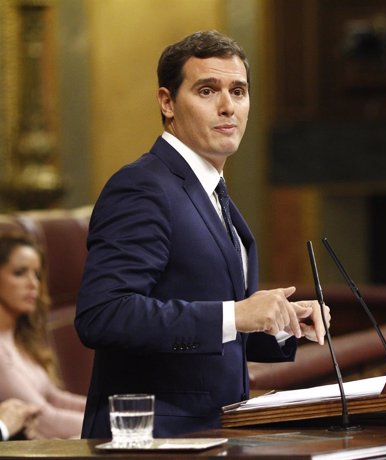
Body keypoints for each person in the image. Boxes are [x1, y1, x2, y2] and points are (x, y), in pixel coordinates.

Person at [75, 30, 330, 439]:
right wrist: (235, 313)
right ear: (167, 102)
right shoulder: (143, 186)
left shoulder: (211, 190)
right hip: (151, 440)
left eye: (239, 91)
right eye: (208, 90)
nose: (228, 106)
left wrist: (280, 323)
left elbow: (208, 332)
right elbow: (103, 315)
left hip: (214, 433)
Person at [0, 233, 86, 439]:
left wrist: (112, 410)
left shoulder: (19, 337)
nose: (33, 284)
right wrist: (122, 424)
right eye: (20, 273)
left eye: (37, 274)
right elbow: (45, 421)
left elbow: (54, 398)